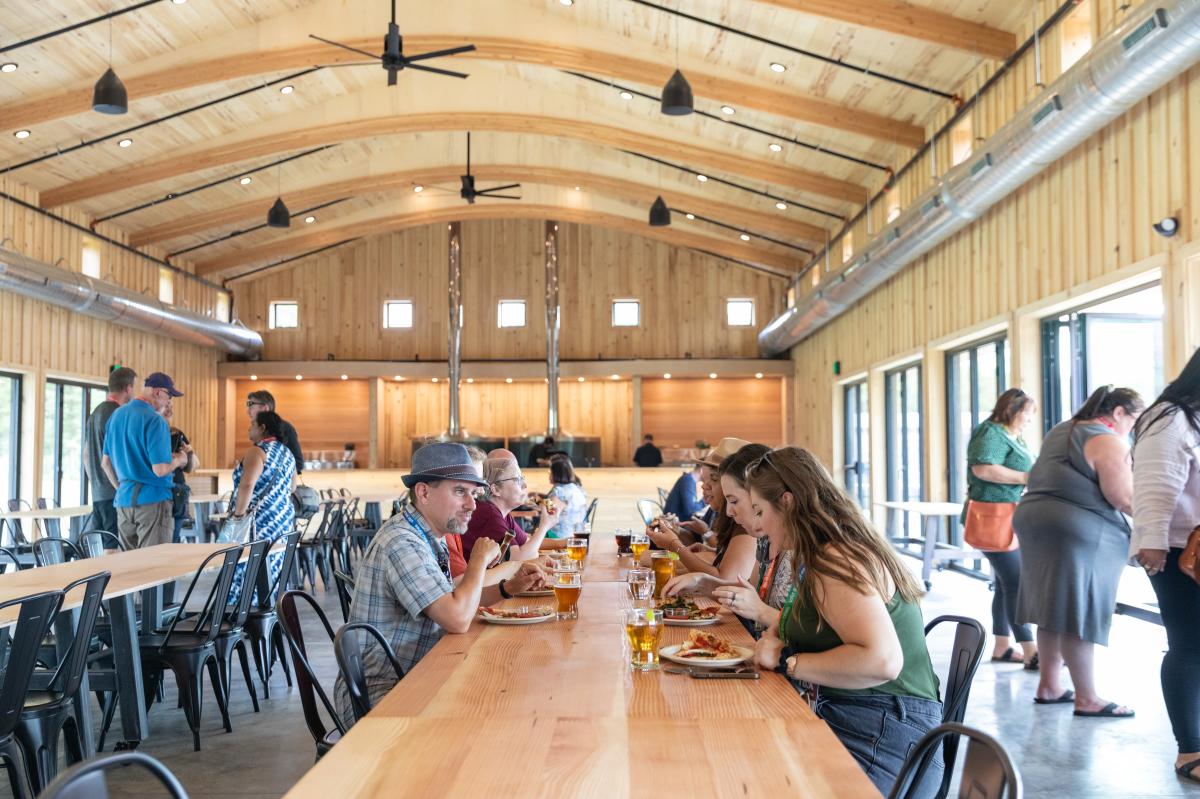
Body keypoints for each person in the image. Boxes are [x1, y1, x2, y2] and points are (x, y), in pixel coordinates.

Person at [748, 447, 943, 799]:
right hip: (863, 717)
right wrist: (778, 634)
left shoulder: (835, 559)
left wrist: (786, 661)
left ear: (788, 502)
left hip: (885, 731)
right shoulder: (819, 554)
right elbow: (797, 620)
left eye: (760, 511)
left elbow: (882, 660)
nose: (757, 525)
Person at [332, 443, 547, 726]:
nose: (471, 504)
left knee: (509, 691)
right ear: (423, 492)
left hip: (417, 670)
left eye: (473, 493)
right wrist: (479, 562)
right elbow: (457, 619)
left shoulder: (427, 535)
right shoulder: (401, 542)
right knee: (500, 709)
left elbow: (454, 600)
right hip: (384, 692)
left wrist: (508, 589)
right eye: (460, 491)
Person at [1014, 385, 1144, 717]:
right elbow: (1123, 498)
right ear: (1118, 414)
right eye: (1134, 420)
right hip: (1075, 530)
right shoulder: (1106, 439)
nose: (1133, 428)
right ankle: (1087, 697)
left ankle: (1049, 685)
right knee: (1078, 612)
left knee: (1052, 608)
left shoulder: (1063, 429)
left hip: (1034, 521)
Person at [1131, 348, 1200, 781]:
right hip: (1180, 551)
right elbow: (1154, 486)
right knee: (1189, 646)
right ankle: (1189, 751)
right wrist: (1151, 545)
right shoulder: (1171, 418)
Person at [664, 445, 794, 638]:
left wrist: (675, 544)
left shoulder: (818, 551)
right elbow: (753, 593)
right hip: (761, 650)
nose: (728, 511)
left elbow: (813, 635)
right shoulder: (765, 541)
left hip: (782, 661)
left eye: (733, 501)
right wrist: (703, 582)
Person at [964, 388, 1038, 668]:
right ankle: (1030, 650)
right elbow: (982, 469)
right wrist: (1026, 476)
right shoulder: (991, 433)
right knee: (1016, 582)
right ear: (1014, 410)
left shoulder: (1012, 435)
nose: (1030, 419)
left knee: (1005, 584)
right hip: (990, 517)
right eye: (1028, 414)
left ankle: (1002, 646)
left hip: (1006, 516)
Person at [646, 439, 763, 583]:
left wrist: (674, 545)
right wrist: (711, 550)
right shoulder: (735, 520)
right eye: (704, 480)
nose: (704, 487)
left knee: (648, 560)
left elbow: (724, 580)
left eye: (713, 480)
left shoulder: (748, 527)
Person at [101, 373, 189, 549]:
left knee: (131, 567)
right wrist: (179, 460)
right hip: (153, 502)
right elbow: (160, 469)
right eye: (169, 396)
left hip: (124, 502)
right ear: (157, 392)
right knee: (154, 567)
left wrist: (123, 488)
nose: (168, 401)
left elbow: (106, 463)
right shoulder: (155, 421)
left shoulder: (117, 415)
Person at [227, 411, 295, 606]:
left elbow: (247, 485)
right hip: (281, 522)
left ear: (263, 428)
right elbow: (292, 487)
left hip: (258, 523)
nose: (249, 428)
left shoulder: (257, 451)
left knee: (243, 566)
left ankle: (242, 612)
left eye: (252, 424)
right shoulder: (286, 452)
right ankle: (269, 610)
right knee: (271, 569)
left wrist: (238, 517)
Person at [461, 458, 560, 561]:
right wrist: (544, 526)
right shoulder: (488, 514)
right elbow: (520, 559)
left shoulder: (502, 513)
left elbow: (527, 544)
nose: (524, 485)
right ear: (496, 489)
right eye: (518, 479)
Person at [82, 366, 137, 536]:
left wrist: (97, 484)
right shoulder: (117, 414)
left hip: (98, 494)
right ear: (128, 388)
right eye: (134, 387)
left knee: (103, 547)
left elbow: (85, 456)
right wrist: (120, 488)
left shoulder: (95, 412)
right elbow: (111, 459)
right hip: (114, 493)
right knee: (113, 548)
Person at [162, 396, 198, 544]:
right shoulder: (149, 433)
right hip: (159, 492)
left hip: (177, 493)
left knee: (174, 539)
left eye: (171, 405)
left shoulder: (176, 434)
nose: (170, 408)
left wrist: (189, 453)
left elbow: (191, 467)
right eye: (166, 405)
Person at [245, 390, 305, 474]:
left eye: (251, 406)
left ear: (265, 408)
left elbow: (298, 463)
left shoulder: (285, 428)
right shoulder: (258, 431)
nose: (248, 411)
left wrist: (274, 480)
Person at [545, 457, 587, 538]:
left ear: (556, 474)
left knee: (531, 537)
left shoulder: (559, 492)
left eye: (550, 472)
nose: (549, 475)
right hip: (577, 534)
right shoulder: (577, 489)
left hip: (560, 536)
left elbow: (549, 511)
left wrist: (534, 500)